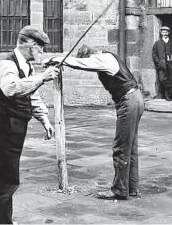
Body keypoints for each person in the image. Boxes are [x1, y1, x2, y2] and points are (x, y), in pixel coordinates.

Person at [43, 44, 144, 200]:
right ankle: (132, 187)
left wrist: (57, 59)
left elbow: (83, 64)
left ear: (92, 55)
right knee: (131, 146)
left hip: (128, 101)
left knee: (121, 147)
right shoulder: (107, 57)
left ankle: (119, 190)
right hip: (135, 98)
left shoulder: (102, 59)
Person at [0, 25, 59, 224]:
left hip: (14, 127)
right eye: (41, 47)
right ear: (32, 46)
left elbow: (31, 96)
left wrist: (45, 120)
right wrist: (42, 78)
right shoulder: (5, 65)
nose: (42, 52)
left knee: (1, 177)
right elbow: (11, 89)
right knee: (7, 180)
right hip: (3, 127)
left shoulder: (27, 67)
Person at [152, 26, 172, 101]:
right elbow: (154, 53)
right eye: (163, 32)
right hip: (162, 64)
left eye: (166, 32)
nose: (164, 33)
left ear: (168, 33)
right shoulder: (157, 43)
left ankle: (168, 96)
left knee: (170, 79)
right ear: (161, 33)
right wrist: (158, 61)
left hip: (171, 63)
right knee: (162, 79)